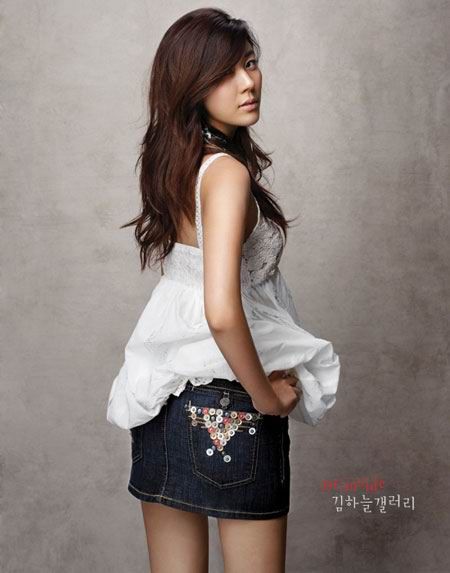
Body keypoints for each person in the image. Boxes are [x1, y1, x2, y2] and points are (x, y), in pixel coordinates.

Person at [106, 8, 341, 573]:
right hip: (230, 396)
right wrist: (266, 398)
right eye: (224, 73)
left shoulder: (177, 166)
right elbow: (221, 310)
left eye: (250, 64)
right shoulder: (227, 174)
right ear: (191, 85)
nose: (247, 82)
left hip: (160, 395)